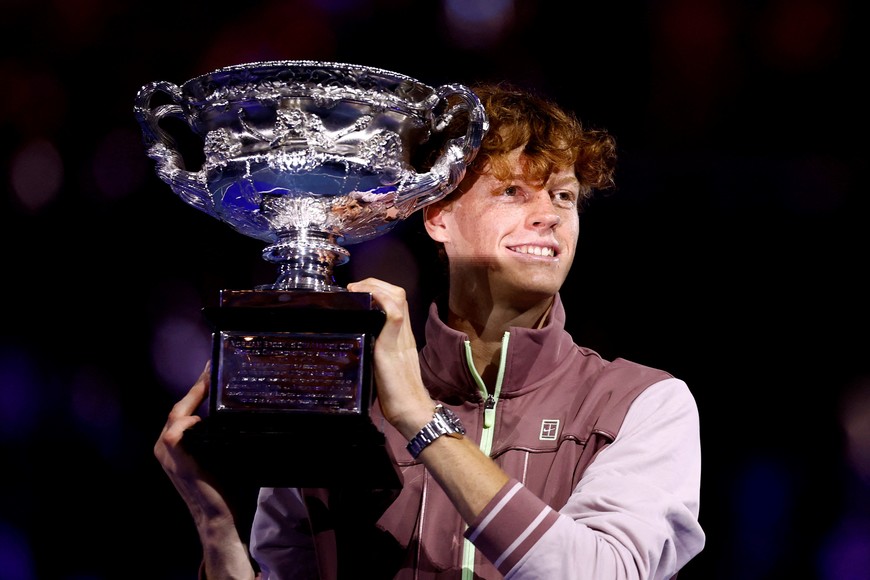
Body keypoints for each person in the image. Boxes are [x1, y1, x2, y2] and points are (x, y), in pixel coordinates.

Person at [155, 82, 706, 579]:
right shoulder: (342, 399)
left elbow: (600, 573)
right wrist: (216, 528)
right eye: (513, 192)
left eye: (563, 196)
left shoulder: (642, 403)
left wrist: (421, 419)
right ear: (438, 217)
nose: (549, 214)